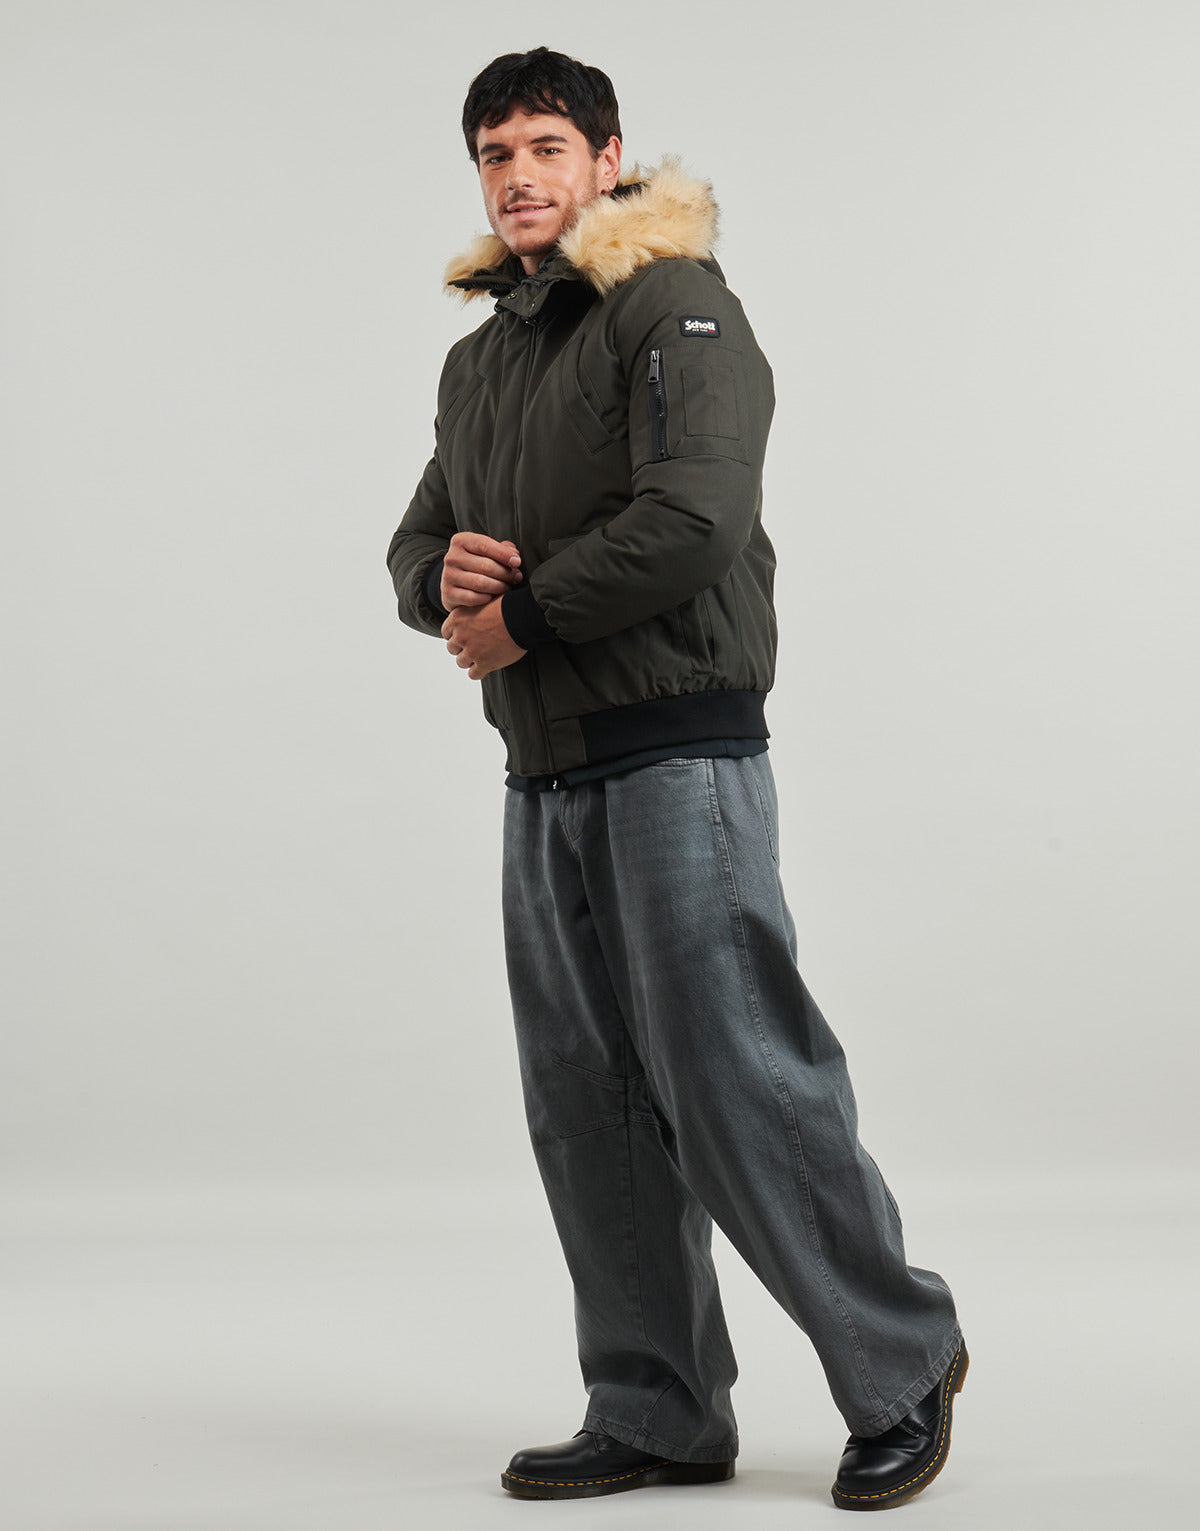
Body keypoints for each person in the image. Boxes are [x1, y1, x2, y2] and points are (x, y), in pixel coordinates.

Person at [386, 46, 967, 1511]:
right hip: (544, 769)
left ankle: (902, 1361)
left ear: (606, 158)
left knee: (737, 1078)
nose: (518, 176)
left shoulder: (674, 302)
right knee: (585, 1100)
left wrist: (524, 614)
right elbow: (419, 540)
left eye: (544, 147)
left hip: (678, 754)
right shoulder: (484, 358)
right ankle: (655, 1408)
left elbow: (698, 518)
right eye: (495, 155)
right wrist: (444, 580)